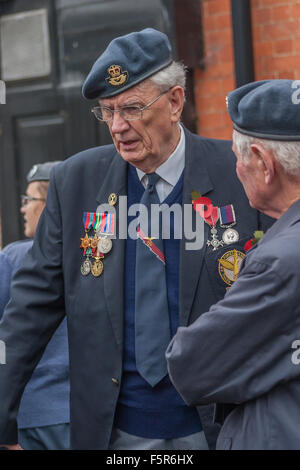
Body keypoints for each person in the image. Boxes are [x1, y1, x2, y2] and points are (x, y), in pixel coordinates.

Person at [0, 29, 273, 451]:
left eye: (131, 108)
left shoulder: (238, 175)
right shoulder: (75, 183)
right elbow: (28, 313)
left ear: (176, 102)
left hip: (220, 428)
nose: (117, 126)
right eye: (107, 112)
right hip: (111, 431)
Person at [166, 79, 300, 450]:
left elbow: (191, 365)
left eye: (239, 158)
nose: (237, 170)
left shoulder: (280, 261)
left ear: (263, 162)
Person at [0, 162, 70, 450]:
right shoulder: (97, 253)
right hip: (95, 413)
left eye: (30, 200)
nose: (23, 208)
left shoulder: (14, 258)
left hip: (33, 418)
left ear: (50, 203)